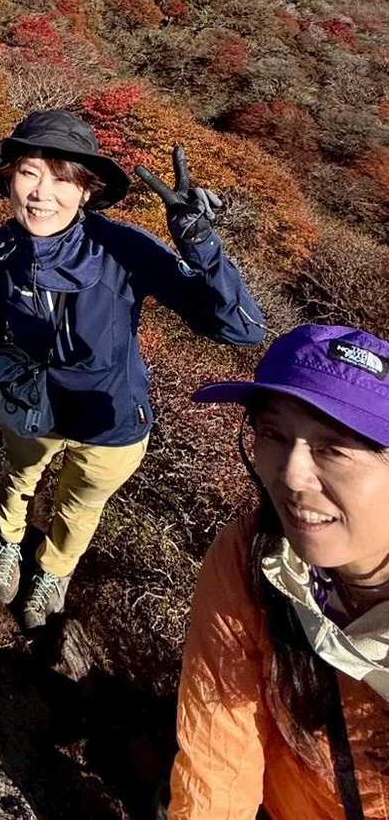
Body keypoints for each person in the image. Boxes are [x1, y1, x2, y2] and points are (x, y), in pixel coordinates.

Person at [0, 109, 265, 628]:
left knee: (79, 506)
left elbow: (242, 329)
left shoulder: (122, 249)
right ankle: (7, 541)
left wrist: (203, 247)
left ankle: (54, 570)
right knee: (19, 477)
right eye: (29, 172)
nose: (41, 193)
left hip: (112, 421)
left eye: (62, 178)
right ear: (9, 178)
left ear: (86, 191)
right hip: (29, 407)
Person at [169, 324, 389, 820]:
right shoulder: (252, 556)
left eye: (333, 448)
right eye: (273, 434)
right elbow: (218, 754)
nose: (291, 475)